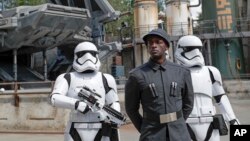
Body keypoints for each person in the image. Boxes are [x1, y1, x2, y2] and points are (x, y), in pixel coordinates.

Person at [125, 28, 194, 141]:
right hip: (152, 134)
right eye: (150, 42)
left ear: (166, 46)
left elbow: (188, 104)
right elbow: (131, 109)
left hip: (179, 134)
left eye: (158, 42)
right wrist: (144, 128)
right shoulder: (137, 75)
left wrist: (178, 122)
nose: (153, 45)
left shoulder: (182, 72)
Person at [49, 41, 121, 141]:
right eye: (82, 54)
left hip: (101, 126)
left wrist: (114, 117)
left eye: (92, 54)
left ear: (96, 55)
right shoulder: (67, 77)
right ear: (76, 56)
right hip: (75, 127)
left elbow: (114, 102)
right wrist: (77, 104)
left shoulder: (106, 78)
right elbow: (54, 98)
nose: (88, 57)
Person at [175, 35, 240, 141]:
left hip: (210, 123)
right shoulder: (174, 73)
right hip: (186, 124)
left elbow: (221, 97)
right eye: (190, 49)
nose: (196, 53)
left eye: (198, 49)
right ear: (180, 50)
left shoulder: (211, 72)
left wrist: (232, 119)